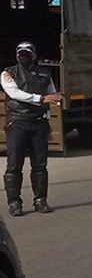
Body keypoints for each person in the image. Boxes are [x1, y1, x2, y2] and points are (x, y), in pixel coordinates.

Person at [2, 42, 62, 215]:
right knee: (14, 165)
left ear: (34, 55)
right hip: (17, 123)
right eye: (21, 53)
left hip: (38, 123)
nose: (24, 56)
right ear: (16, 55)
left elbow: (52, 94)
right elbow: (14, 94)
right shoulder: (9, 73)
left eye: (27, 53)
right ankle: (14, 203)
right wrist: (41, 99)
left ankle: (40, 200)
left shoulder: (45, 73)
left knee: (40, 165)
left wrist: (50, 108)